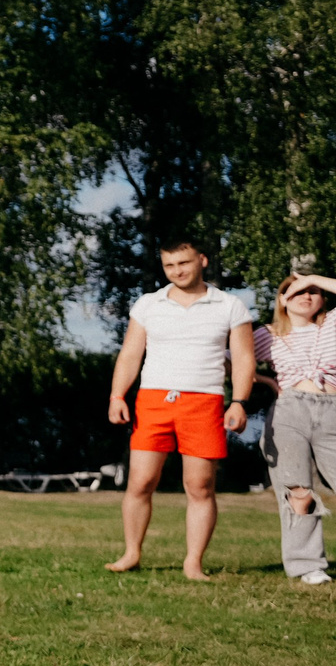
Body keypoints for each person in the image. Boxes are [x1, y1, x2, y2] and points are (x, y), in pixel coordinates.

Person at [105, 240, 254, 580]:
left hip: (204, 401)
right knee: (140, 481)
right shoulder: (148, 304)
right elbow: (130, 354)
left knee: (199, 486)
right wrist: (117, 396)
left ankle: (193, 563)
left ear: (202, 260)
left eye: (184, 263)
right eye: (170, 266)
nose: (178, 271)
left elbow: (244, 358)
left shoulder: (230, 305)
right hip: (153, 399)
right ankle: (131, 553)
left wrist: (240, 402)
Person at [253, 272, 336, 586]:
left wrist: (312, 277)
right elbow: (228, 359)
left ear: (322, 297)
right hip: (289, 411)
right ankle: (306, 566)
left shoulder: (334, 324)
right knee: (298, 491)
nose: (306, 295)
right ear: (282, 300)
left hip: (333, 414)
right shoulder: (267, 334)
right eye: (296, 292)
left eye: (312, 291)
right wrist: (267, 381)